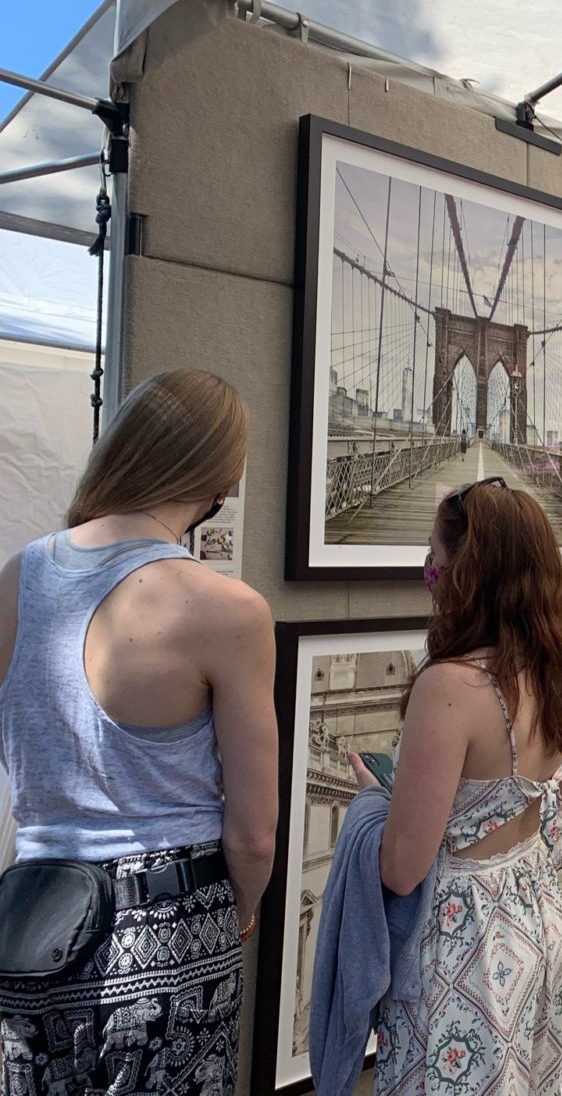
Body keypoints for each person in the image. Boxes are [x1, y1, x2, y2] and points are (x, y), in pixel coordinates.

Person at [0, 369, 276, 1096]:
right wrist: (237, 912)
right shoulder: (227, 609)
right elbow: (253, 832)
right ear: (219, 476)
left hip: (33, 922)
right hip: (172, 928)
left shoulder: (16, 578)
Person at [354, 477, 562, 1096]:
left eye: (433, 556)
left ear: (465, 572)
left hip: (462, 938)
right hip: (533, 917)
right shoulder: (561, 663)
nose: (426, 570)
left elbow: (404, 868)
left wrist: (373, 801)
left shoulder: (450, 686)